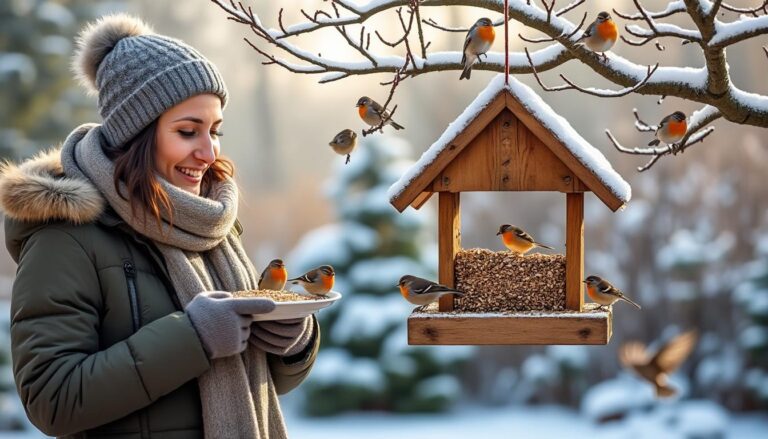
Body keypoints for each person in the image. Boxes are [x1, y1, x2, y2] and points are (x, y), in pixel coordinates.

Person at [0, 14, 319, 438]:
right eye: (188, 131)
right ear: (136, 135)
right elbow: (52, 400)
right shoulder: (66, 236)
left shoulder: (208, 222)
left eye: (214, 131)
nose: (208, 152)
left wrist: (291, 346)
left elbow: (250, 385)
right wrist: (193, 337)